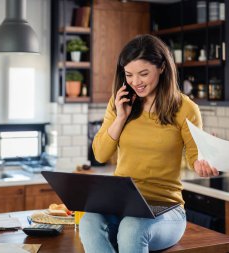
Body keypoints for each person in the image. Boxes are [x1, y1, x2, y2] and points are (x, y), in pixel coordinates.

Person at [79, 34, 219, 253]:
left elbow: (196, 158)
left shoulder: (186, 108)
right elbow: (100, 155)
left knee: (132, 228)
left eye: (143, 74)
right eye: (129, 75)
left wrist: (204, 162)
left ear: (162, 67)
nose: (136, 82)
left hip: (166, 209)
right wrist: (120, 118)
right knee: (89, 222)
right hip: (122, 204)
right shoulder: (119, 103)